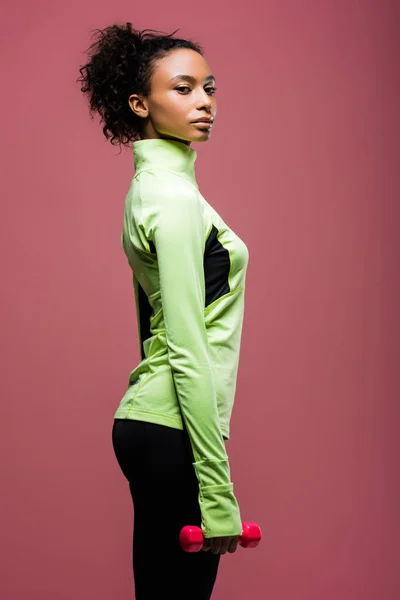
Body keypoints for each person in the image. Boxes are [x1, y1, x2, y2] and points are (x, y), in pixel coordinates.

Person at [78, 22, 249, 599]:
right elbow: (186, 344)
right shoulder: (172, 199)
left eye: (210, 87)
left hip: (152, 425)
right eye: (183, 89)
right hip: (172, 427)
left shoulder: (151, 187)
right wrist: (217, 492)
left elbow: (151, 322)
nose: (204, 102)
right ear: (139, 104)